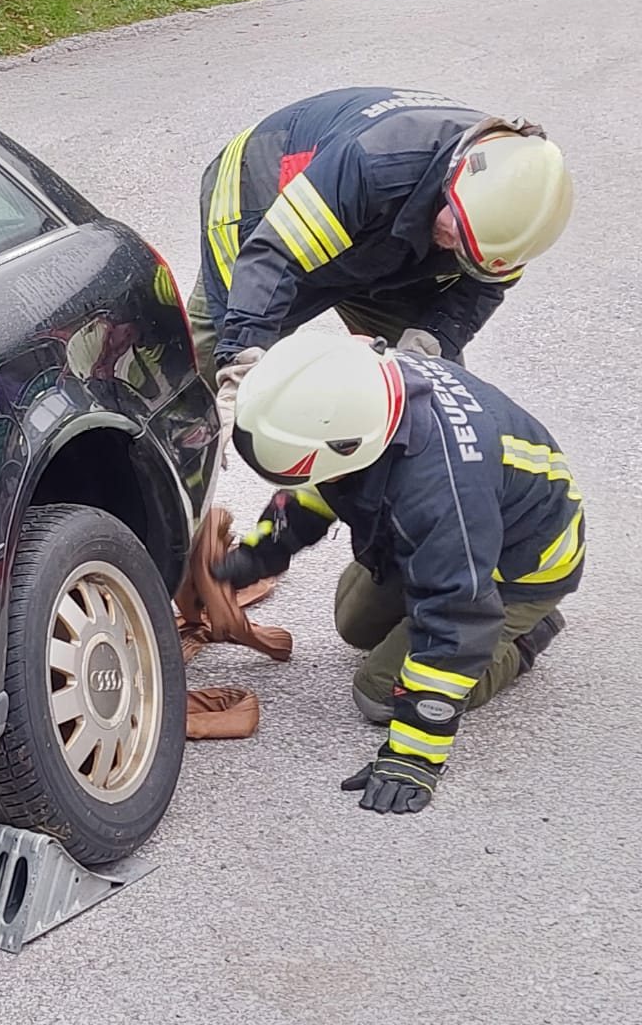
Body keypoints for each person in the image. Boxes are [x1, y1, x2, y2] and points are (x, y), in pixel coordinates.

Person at [212, 333, 582, 814]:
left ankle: (525, 637)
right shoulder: (359, 390)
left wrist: (415, 754)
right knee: (354, 623)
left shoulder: (444, 495)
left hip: (516, 571)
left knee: (380, 694)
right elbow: (317, 485)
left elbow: (457, 616)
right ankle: (436, 603)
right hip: (462, 536)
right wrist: (262, 554)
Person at [186, 87, 573, 458]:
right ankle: (180, 469)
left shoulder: (507, 228)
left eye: (466, 249)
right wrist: (241, 364)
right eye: (456, 225)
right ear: (458, 179)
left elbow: (475, 293)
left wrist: (426, 346)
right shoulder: (374, 162)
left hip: (387, 236)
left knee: (424, 395)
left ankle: (390, 489)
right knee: (210, 372)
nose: (453, 242)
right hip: (267, 194)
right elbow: (273, 256)